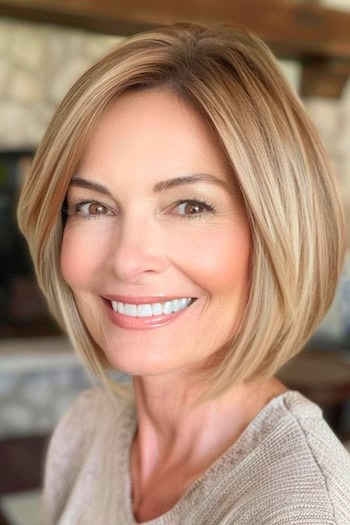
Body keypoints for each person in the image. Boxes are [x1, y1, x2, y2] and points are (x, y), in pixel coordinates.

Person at [17, 22, 350, 524]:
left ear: (276, 232)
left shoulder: (300, 508)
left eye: (190, 206)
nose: (128, 260)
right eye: (92, 207)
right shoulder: (89, 427)